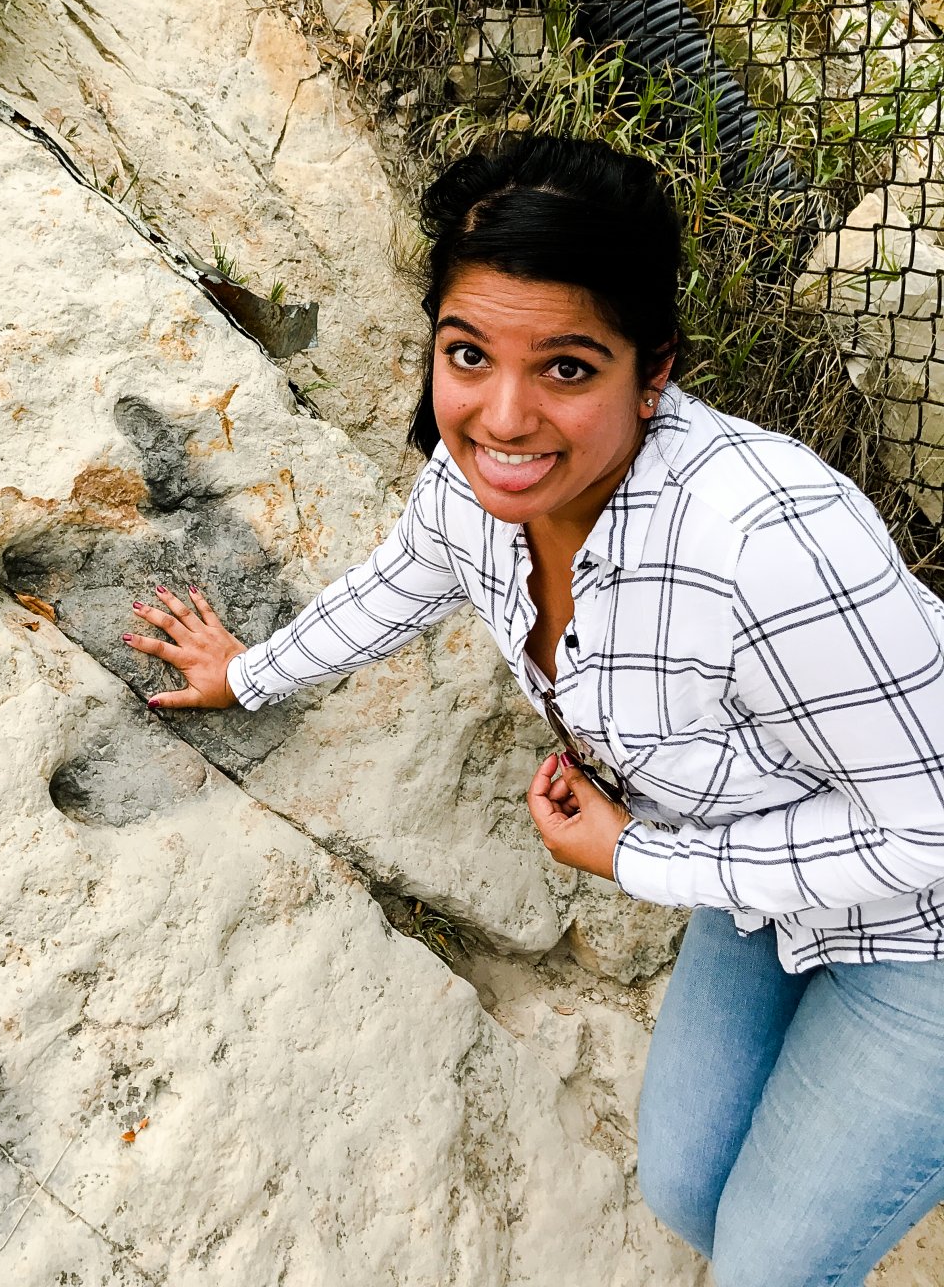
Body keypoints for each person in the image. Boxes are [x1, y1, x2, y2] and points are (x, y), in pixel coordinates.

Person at [121, 135, 944, 1286]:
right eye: (467, 354)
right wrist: (246, 674)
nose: (503, 418)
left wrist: (641, 853)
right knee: (686, 1184)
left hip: (926, 932)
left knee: (769, 1263)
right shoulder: (474, 491)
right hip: (761, 872)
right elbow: (395, 583)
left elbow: (925, 823)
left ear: (651, 369)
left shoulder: (770, 543)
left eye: (566, 367)